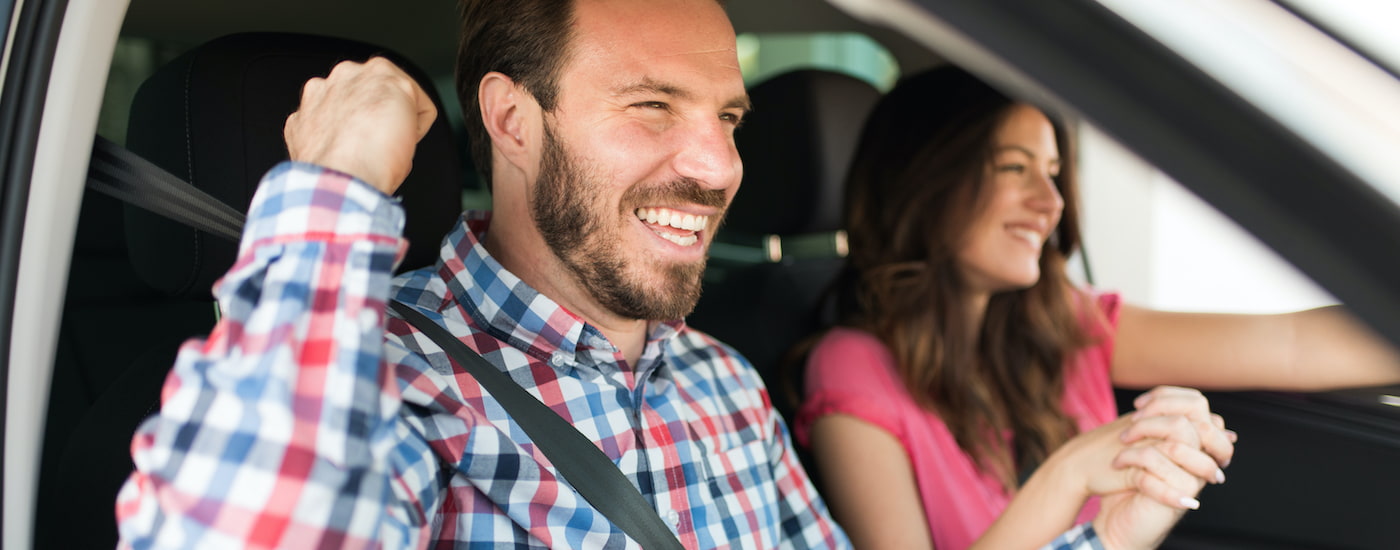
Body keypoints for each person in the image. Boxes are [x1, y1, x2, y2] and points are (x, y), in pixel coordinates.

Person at [115, 2, 1219, 548]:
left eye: (726, 118)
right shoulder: (389, 372)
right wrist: (336, 190)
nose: (716, 165)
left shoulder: (725, 387)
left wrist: (1104, 521)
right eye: (651, 106)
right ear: (508, 118)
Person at [794, 65, 1400, 550]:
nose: (1051, 202)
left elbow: (1291, 347)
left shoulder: (1066, 324)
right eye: (1015, 168)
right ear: (925, 182)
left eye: (1055, 172)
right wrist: (1069, 473)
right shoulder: (852, 367)